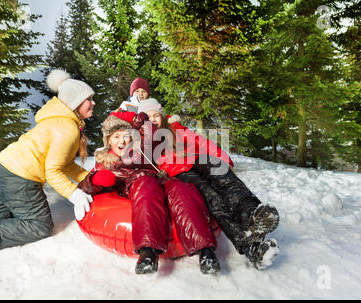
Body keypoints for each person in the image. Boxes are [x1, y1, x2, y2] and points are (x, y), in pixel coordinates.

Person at [0, 69, 100, 270]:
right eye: (89, 99)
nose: (93, 103)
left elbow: (63, 163)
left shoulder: (59, 121)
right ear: (74, 102)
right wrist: (76, 194)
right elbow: (53, 171)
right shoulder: (67, 128)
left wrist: (89, 177)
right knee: (40, 227)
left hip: (1, 168)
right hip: (20, 178)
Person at [111, 98, 280, 270]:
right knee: (212, 199)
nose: (154, 119)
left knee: (226, 179)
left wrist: (224, 160)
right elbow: (116, 138)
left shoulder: (175, 129)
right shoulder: (142, 138)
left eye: (156, 115)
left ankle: (252, 213)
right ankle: (250, 247)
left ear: (162, 116)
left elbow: (202, 142)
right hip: (178, 173)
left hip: (197, 160)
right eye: (149, 116)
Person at [90, 113, 220, 275]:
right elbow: (89, 185)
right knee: (146, 184)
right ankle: (148, 252)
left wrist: (143, 122)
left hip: (161, 182)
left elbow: (155, 137)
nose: (122, 141)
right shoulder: (105, 161)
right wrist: (95, 181)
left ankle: (206, 251)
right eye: (116, 137)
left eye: (126, 135)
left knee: (183, 189)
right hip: (140, 187)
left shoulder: (141, 151)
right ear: (108, 140)